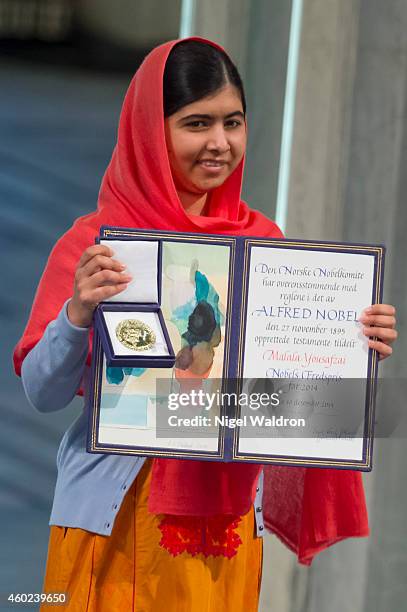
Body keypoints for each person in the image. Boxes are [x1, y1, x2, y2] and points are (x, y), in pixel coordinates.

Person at [13, 37, 397, 611]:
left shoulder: (265, 245)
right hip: (113, 523)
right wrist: (76, 315)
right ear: (150, 130)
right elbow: (41, 394)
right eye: (197, 123)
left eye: (233, 122)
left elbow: (287, 403)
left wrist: (350, 350)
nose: (220, 143)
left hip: (226, 532)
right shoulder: (97, 245)